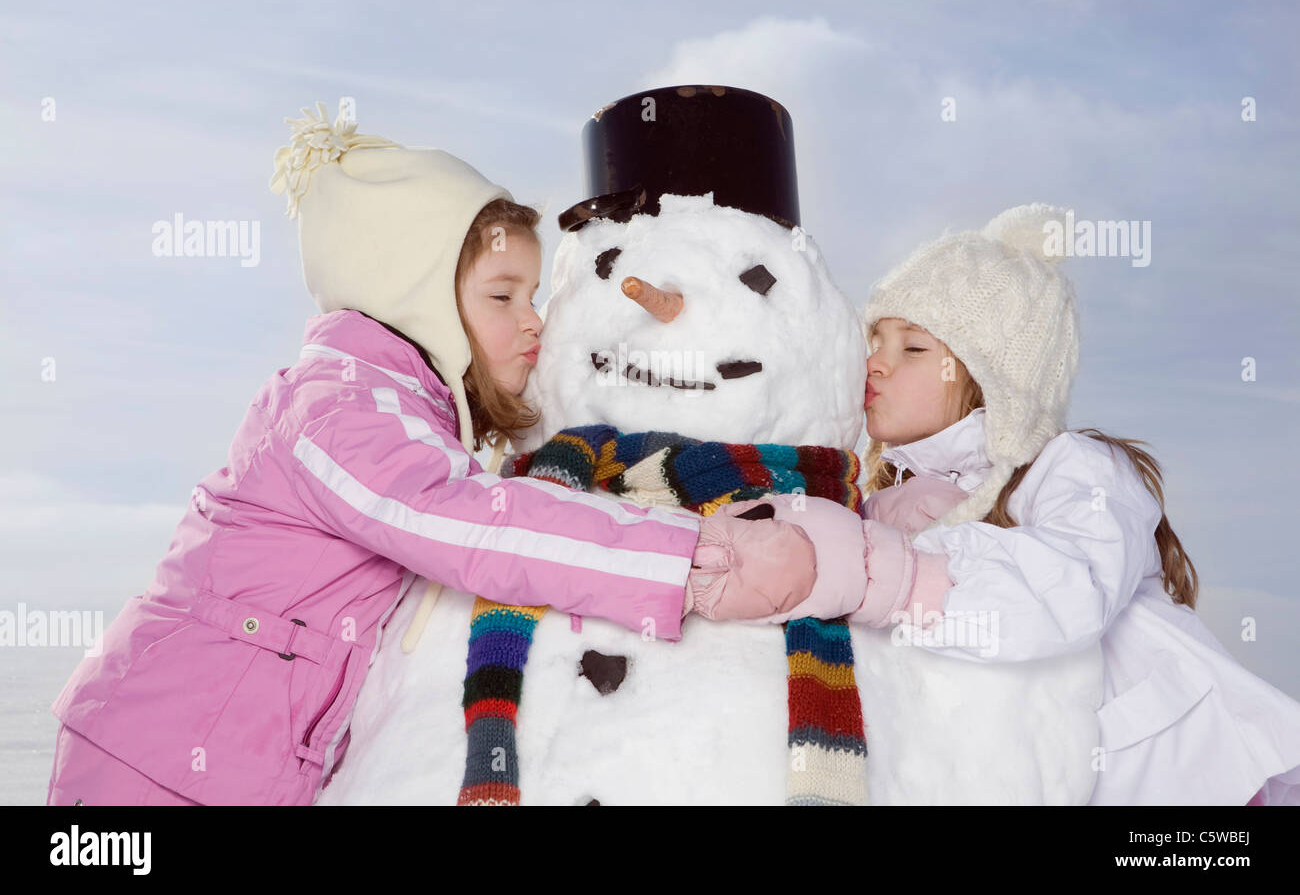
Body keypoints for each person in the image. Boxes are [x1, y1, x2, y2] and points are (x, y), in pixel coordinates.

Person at [44, 103, 836, 806]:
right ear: (416, 299)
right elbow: (474, 526)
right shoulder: (335, 409)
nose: (534, 321)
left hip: (225, 767)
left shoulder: (397, 414)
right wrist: (694, 560)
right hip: (151, 763)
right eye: (502, 295)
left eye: (534, 295)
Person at [752, 202, 1300, 805]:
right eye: (874, 339)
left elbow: (1071, 585)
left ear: (991, 376)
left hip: (1179, 773)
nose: (875, 362)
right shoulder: (882, 499)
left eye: (913, 348)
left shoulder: (1078, 469)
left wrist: (897, 571)